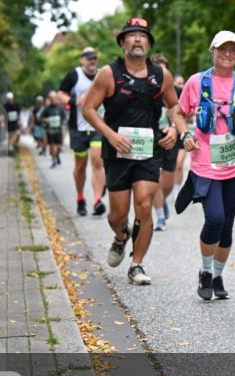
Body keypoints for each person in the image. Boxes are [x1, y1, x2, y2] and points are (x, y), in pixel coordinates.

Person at [82, 17, 191, 285]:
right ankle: (121, 236)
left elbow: (174, 106)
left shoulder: (161, 75)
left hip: (148, 150)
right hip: (117, 151)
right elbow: (88, 109)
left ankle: (137, 264)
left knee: (144, 204)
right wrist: (110, 134)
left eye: (143, 35)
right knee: (117, 215)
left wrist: (175, 130)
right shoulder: (109, 74)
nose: (138, 39)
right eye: (132, 35)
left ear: (149, 44)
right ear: (123, 43)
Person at [175, 31, 235, 302]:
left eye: (233, 50)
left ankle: (218, 275)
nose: (228, 55)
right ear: (212, 51)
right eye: (222, 50)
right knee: (215, 218)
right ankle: (205, 271)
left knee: (226, 229)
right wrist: (185, 135)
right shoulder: (196, 82)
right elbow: (179, 113)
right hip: (205, 166)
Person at [60, 47, 108, 216]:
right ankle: (80, 197)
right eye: (88, 58)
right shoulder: (74, 75)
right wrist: (74, 101)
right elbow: (61, 94)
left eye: (94, 58)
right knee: (80, 166)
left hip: (97, 126)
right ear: (82, 60)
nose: (92, 61)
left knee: (97, 161)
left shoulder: (104, 74)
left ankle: (97, 201)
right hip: (78, 127)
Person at [151, 54, 178, 231]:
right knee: (155, 180)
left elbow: (183, 112)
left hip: (170, 138)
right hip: (151, 139)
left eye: (164, 68)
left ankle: (163, 201)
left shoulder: (175, 90)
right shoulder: (146, 90)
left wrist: (174, 125)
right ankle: (160, 216)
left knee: (167, 183)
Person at [41, 92, 68, 167]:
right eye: (51, 98)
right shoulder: (47, 109)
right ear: (49, 99)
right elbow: (41, 118)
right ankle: (54, 161)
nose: (53, 100)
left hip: (59, 131)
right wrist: (46, 120)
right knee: (52, 147)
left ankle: (57, 155)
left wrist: (64, 129)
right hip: (50, 131)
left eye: (54, 98)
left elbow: (65, 119)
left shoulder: (60, 108)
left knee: (59, 148)